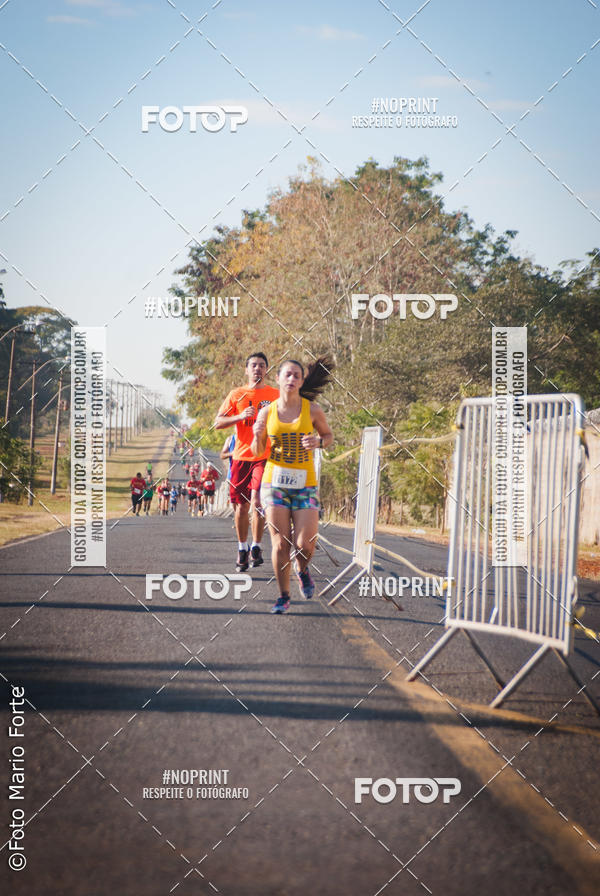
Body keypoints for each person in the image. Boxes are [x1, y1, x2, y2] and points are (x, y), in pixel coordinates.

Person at [251, 357, 333, 613]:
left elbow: (328, 436)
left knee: (305, 545)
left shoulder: (312, 410)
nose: (292, 379)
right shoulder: (267, 412)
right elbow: (257, 450)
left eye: (297, 375)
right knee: (280, 543)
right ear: (278, 379)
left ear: (301, 381)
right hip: (274, 484)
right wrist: (256, 434)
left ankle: (302, 568)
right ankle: (284, 596)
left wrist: (318, 443)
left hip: (305, 484)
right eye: (287, 375)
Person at [215, 352, 279, 571]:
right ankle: (242, 548)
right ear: (246, 369)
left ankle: (257, 545)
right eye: (253, 365)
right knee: (241, 508)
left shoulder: (275, 395)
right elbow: (218, 422)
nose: (257, 369)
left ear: (267, 370)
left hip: (264, 456)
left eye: (262, 365)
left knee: (258, 501)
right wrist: (240, 417)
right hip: (241, 458)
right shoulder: (237, 394)